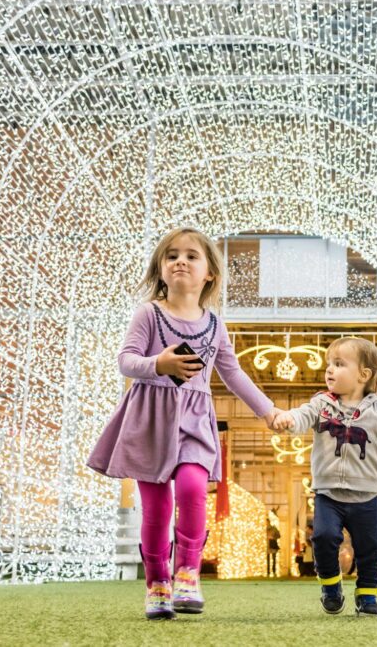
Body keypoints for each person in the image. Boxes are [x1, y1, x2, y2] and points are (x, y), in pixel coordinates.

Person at [87, 227, 281, 620]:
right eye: (172, 255)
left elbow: (234, 375)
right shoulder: (149, 313)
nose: (181, 261)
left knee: (193, 488)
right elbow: (126, 360)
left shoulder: (215, 324)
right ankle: (157, 583)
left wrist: (269, 411)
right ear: (160, 268)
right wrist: (159, 364)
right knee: (156, 509)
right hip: (149, 422)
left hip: (194, 421)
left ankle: (188, 572)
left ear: (209, 272)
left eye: (192, 256)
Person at [272, 337, 377, 616]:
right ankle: (331, 586)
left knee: (371, 547)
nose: (329, 370)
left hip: (366, 495)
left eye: (339, 364)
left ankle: (367, 595)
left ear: (363, 375)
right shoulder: (322, 404)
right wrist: (289, 420)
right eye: (328, 365)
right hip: (328, 493)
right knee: (322, 537)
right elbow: (302, 416)